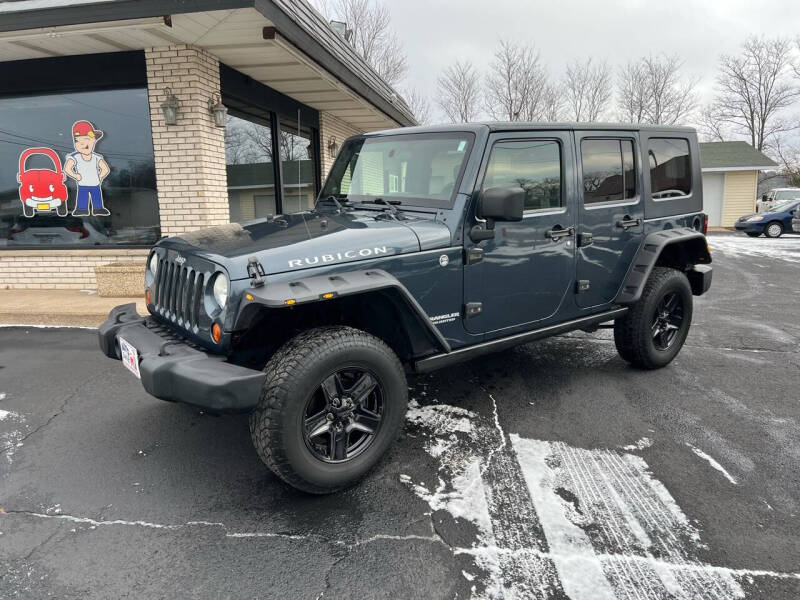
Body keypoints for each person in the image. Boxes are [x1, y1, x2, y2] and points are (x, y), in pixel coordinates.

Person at [64, 120, 110, 216]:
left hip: (95, 183)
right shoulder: (75, 157)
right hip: (82, 183)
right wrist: (75, 175)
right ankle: (81, 209)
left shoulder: (97, 157)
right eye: (78, 141)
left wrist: (99, 177)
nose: (82, 144)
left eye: (86, 140)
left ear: (94, 141)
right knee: (82, 197)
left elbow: (105, 169)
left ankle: (98, 209)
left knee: (96, 196)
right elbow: (67, 168)